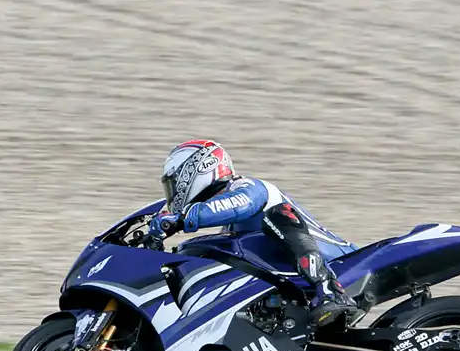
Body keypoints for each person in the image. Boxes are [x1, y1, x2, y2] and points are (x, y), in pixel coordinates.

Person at [147, 139, 362, 328]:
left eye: (173, 185)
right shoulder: (230, 230)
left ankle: (330, 291)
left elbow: (237, 205)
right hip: (295, 284)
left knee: (278, 215)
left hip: (340, 260)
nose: (172, 194)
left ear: (196, 170)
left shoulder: (247, 187)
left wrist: (181, 219)